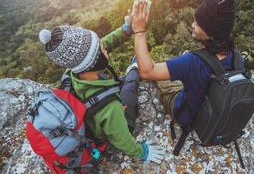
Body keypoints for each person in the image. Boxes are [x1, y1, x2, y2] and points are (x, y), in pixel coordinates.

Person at [38, 16, 164, 163]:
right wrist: (142, 152)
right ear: (94, 62)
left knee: (121, 82)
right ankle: (134, 68)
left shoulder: (72, 71)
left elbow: (105, 44)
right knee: (130, 86)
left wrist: (126, 29)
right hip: (106, 124)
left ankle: (132, 71)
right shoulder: (111, 108)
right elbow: (121, 140)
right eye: (102, 48)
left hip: (92, 112)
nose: (106, 48)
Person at [131, 0, 243, 126]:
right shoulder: (236, 55)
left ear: (211, 32)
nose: (193, 25)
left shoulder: (192, 61)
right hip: (213, 108)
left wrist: (139, 30)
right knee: (178, 67)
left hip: (188, 116)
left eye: (199, 24)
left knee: (163, 82)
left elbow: (147, 71)